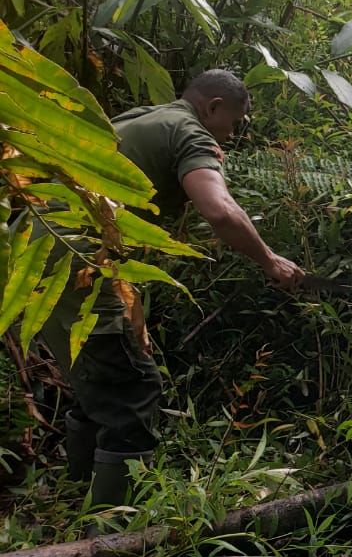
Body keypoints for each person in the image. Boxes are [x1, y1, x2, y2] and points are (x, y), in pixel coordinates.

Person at [28, 70, 306, 518]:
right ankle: (108, 541)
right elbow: (219, 209)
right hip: (80, 258)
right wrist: (270, 260)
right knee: (132, 389)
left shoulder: (143, 118)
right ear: (213, 107)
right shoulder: (190, 132)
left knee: (92, 378)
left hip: (34, 250)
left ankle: (72, 498)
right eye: (233, 123)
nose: (232, 135)